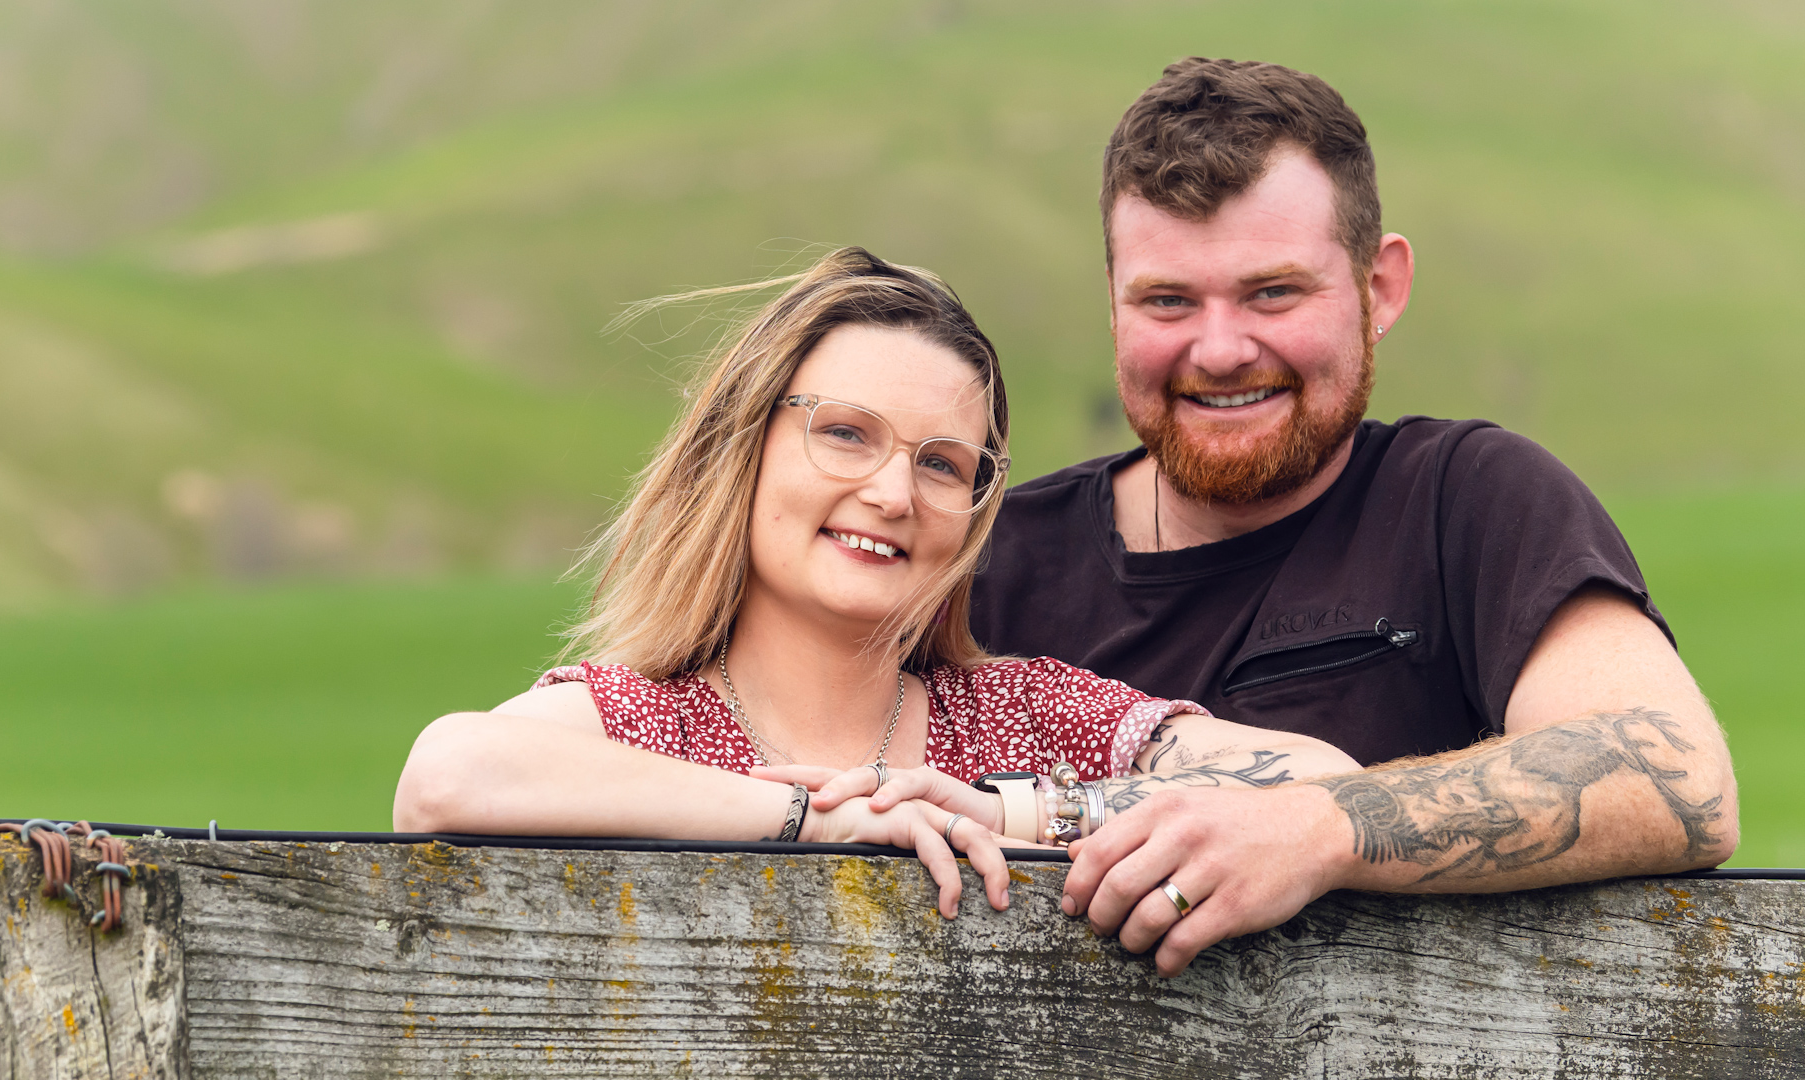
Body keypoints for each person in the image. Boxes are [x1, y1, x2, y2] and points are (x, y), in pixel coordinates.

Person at [963, 58, 1739, 974]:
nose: (1218, 350)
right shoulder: (984, 560)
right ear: (1114, 304)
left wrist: (1311, 830)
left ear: (1380, 290)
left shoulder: (1468, 498)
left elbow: (1676, 778)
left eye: (1273, 293)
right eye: (1168, 300)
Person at [393, 247, 1360, 918]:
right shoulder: (646, 719)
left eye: (943, 464)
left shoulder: (1023, 716)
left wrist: (1017, 812)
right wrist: (816, 821)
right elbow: (447, 777)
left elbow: (1325, 784)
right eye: (846, 433)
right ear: (746, 448)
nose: (893, 492)